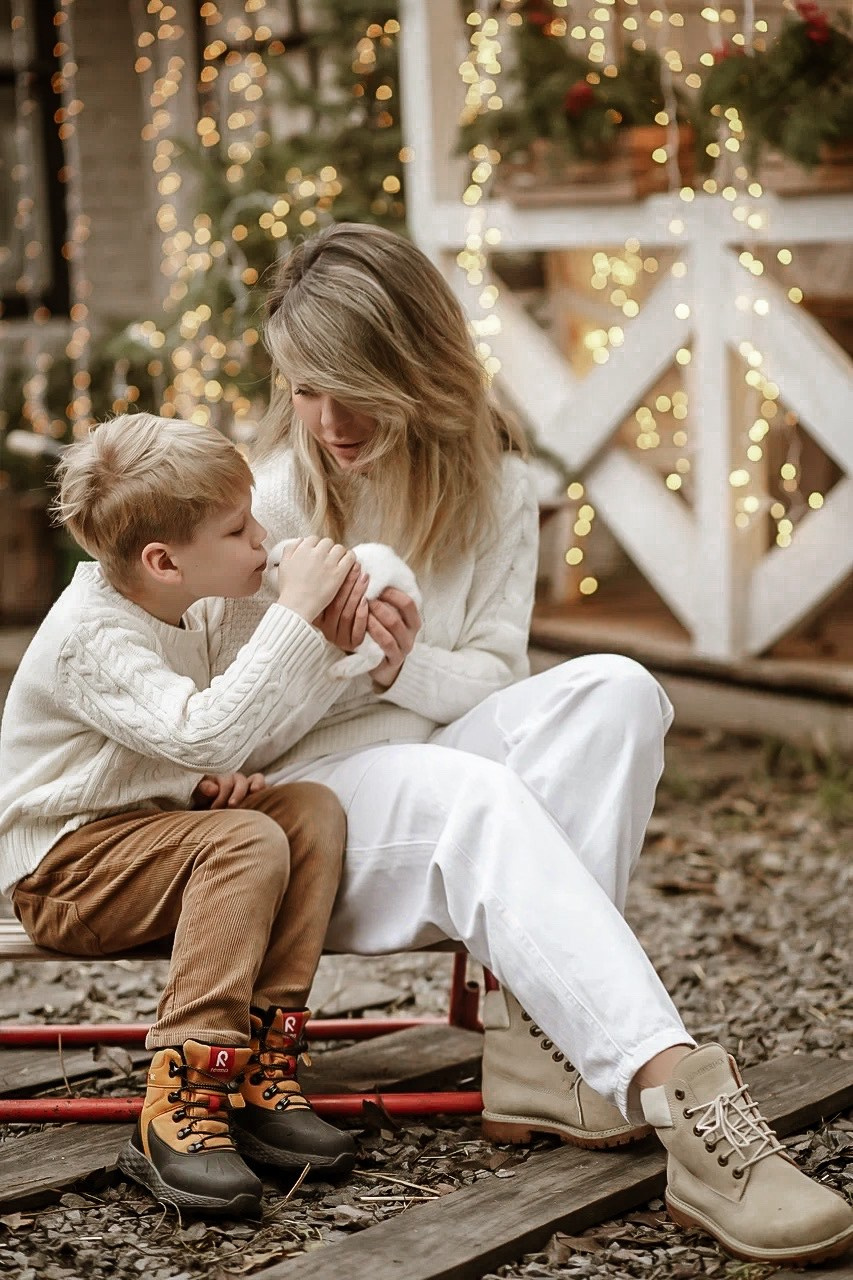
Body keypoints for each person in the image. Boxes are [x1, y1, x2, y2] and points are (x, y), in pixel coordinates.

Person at [205, 221, 853, 1264]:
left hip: (434, 749)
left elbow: (491, 677)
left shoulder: (496, 487)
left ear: (414, 360)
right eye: (304, 386)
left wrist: (396, 662)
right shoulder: (267, 498)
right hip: (311, 811)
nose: (329, 417)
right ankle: (679, 1093)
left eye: (353, 380)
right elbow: (228, 726)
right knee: (470, 791)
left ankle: (545, 1048)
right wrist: (319, 652)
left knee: (619, 691)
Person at [0, 412, 360, 1218]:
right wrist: (295, 617)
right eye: (238, 528)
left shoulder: (181, 600)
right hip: (61, 873)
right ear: (162, 561)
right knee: (245, 839)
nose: (261, 540)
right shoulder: (92, 634)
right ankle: (180, 1100)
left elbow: (173, 738)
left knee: (308, 811)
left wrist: (198, 781)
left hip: (131, 840)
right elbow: (203, 727)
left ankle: (263, 1066)